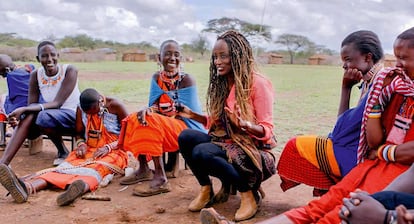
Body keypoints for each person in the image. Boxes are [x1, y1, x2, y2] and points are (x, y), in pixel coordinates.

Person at [200, 26, 414, 224]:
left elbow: (347, 134)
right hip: (373, 163)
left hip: (381, 166)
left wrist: (383, 152)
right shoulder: (387, 88)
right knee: (320, 207)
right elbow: (363, 137)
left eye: (403, 58)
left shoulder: (384, 83)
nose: (396, 65)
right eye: (396, 58)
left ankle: (251, 193)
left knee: (336, 212)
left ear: (367, 57)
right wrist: (359, 94)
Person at [178, 30, 276, 222]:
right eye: (215, 57)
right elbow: (216, 123)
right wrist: (191, 114)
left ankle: (248, 195)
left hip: (251, 149)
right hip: (226, 141)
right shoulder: (223, 83)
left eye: (224, 56)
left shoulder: (258, 83)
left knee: (202, 152)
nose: (218, 62)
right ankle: (206, 189)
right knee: (186, 137)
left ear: (238, 56)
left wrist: (245, 125)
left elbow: (267, 130)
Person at [277, 30, 384, 196]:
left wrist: (346, 89)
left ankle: (336, 194)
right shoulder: (370, 81)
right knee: (317, 143)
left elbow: (340, 132)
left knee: (295, 146)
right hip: (355, 149)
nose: (344, 66)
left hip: (358, 157)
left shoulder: (378, 85)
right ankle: (334, 194)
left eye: (348, 60)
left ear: (367, 58)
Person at [0, 88, 128, 206]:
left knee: (97, 168)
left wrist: (108, 148)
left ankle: (78, 189)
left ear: (101, 102)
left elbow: (128, 134)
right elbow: (78, 133)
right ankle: (27, 187)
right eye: (88, 114)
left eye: (93, 113)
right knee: (64, 167)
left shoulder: (115, 106)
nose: (91, 116)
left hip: (114, 151)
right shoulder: (80, 108)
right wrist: (81, 145)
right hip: (89, 149)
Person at [118, 39, 205, 196]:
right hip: (165, 124)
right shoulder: (156, 78)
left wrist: (161, 118)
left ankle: (161, 178)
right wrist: (148, 110)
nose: (172, 58)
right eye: (168, 54)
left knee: (151, 120)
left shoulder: (186, 80)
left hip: (186, 128)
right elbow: (154, 105)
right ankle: (144, 168)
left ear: (181, 58)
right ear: (159, 57)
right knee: (136, 117)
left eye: (176, 55)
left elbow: (189, 114)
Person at [0, 41, 80, 166]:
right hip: (50, 115)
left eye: (52, 55)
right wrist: (20, 117)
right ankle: (3, 163)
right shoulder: (35, 75)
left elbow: (57, 103)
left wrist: (24, 109)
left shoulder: (69, 70)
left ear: (58, 56)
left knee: (42, 116)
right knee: (30, 114)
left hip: (73, 116)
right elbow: (32, 105)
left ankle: (62, 151)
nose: (49, 59)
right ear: (38, 58)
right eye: (44, 56)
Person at [0, 54, 34, 147]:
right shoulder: (29, 69)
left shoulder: (11, 76)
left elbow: (12, 97)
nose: (1, 75)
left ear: (7, 69)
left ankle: (3, 139)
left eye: (1, 72)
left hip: (20, 108)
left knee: (2, 102)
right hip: (34, 105)